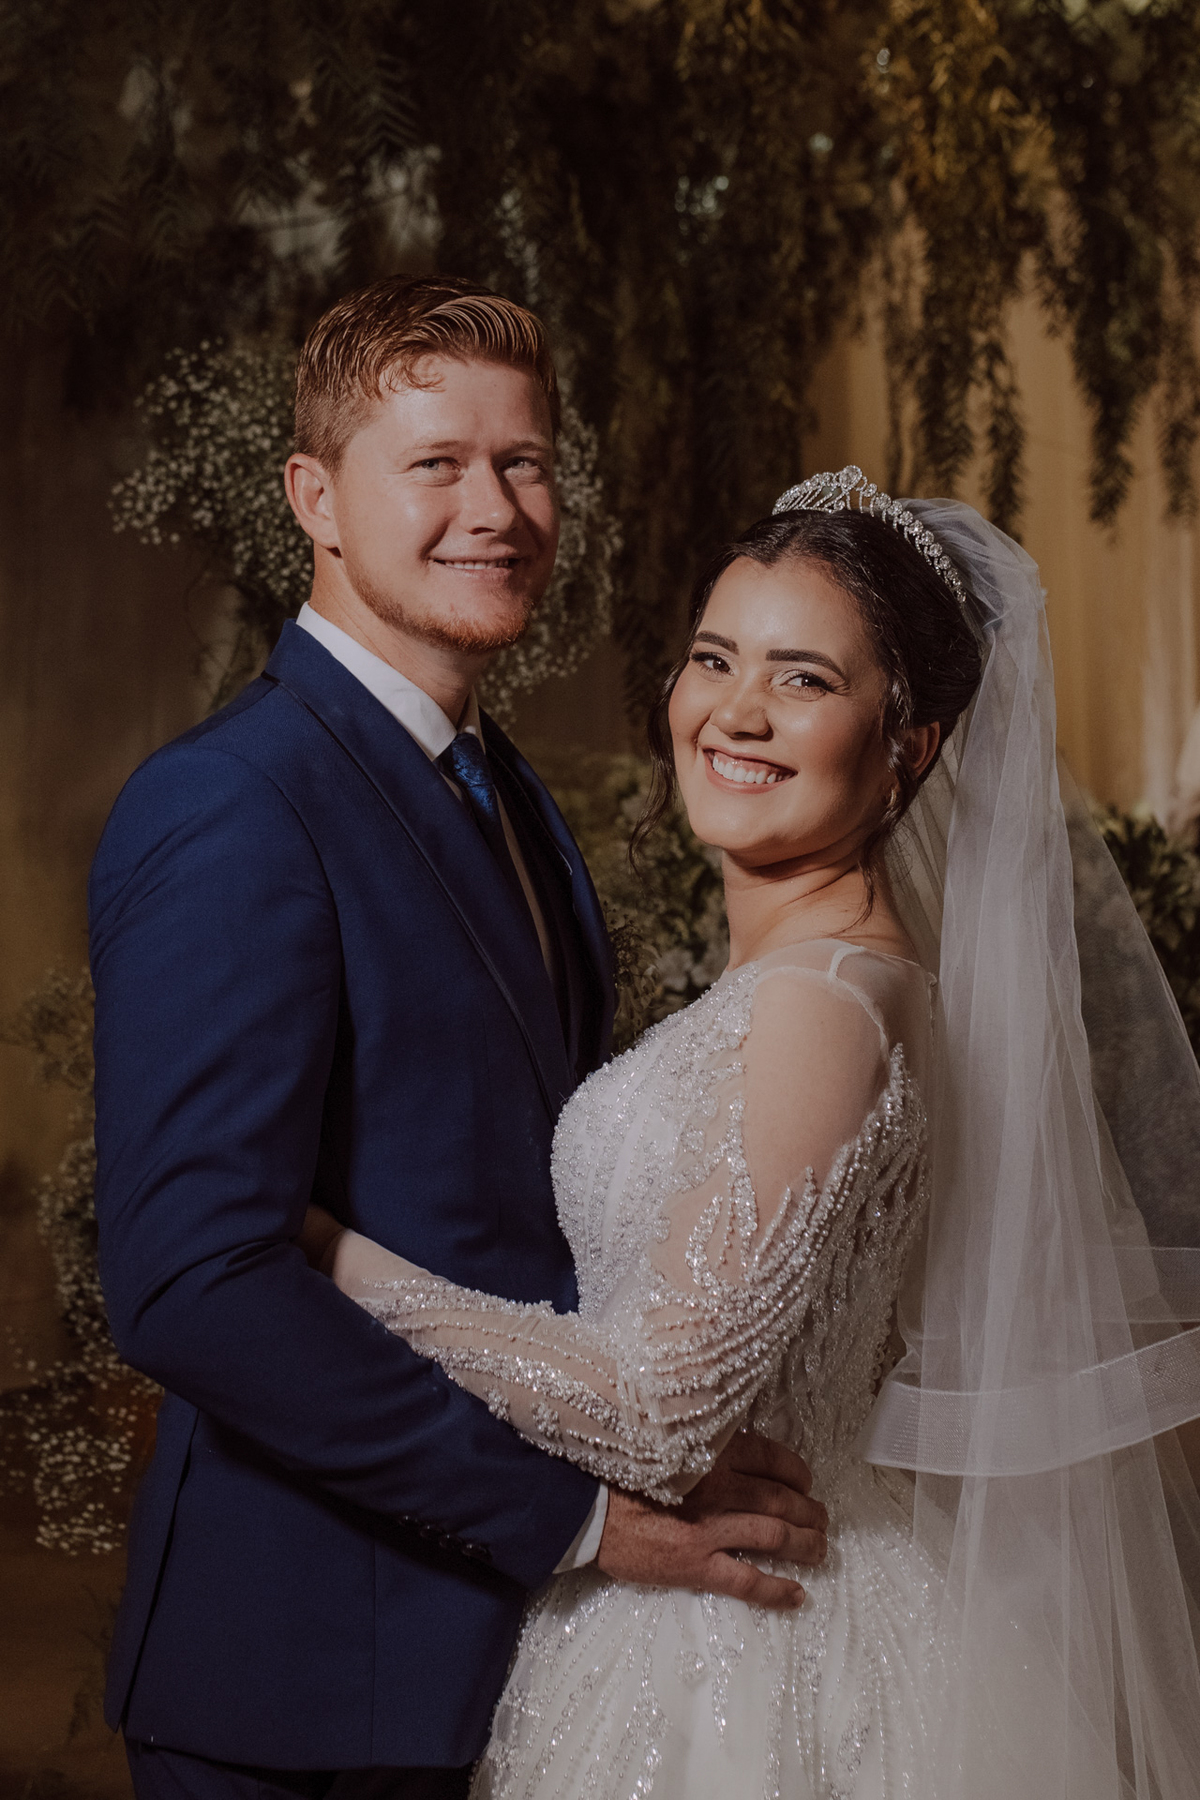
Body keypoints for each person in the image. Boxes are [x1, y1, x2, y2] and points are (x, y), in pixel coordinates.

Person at [300, 469, 1200, 1798]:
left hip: (748, 1646)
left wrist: (325, 1252)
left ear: (910, 746)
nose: (737, 711)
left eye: (805, 679)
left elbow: (661, 1414)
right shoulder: (811, 983)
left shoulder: (823, 1009)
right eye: (716, 658)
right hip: (685, 1607)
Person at [89, 276, 826, 1800]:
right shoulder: (235, 805)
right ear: (315, 498)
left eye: (524, 462)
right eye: (436, 464)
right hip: (307, 1682)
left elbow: (519, 1217)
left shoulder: (505, 790)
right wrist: (578, 1516)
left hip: (505, 1668)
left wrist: (657, 1434)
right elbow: (193, 1286)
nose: (494, 509)